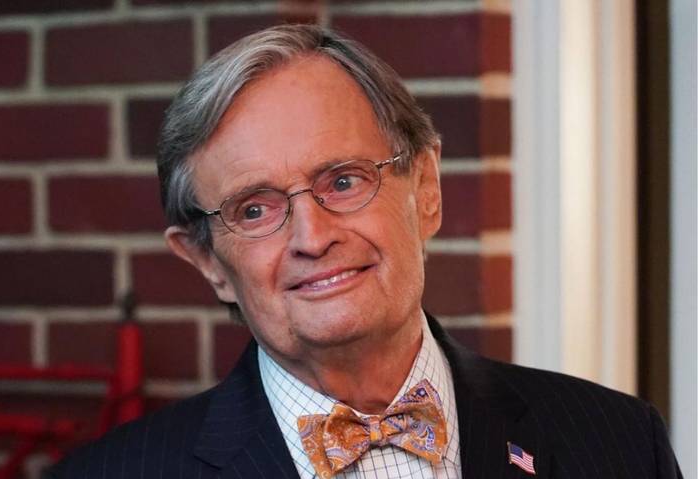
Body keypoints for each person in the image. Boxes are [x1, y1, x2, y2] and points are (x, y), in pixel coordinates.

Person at [48, 24, 682, 478]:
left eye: (344, 181)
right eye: (255, 209)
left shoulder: (619, 444)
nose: (313, 237)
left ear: (425, 189)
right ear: (208, 261)